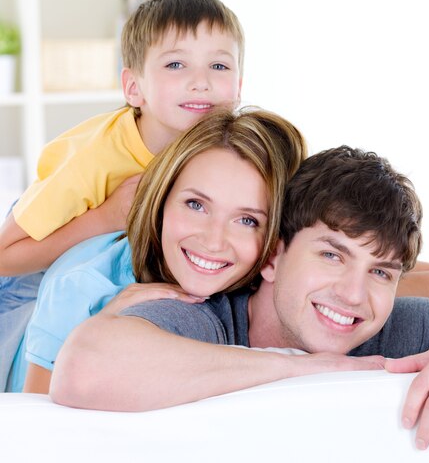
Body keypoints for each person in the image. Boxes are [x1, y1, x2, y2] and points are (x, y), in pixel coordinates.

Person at [51, 146, 429, 453]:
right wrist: (308, 368)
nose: (353, 295)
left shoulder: (391, 327)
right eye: (330, 254)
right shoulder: (199, 314)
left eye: (381, 271)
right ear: (272, 256)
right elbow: (83, 368)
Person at [0, 0, 245, 389]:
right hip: (32, 271)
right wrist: (107, 216)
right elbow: (5, 256)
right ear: (134, 87)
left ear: (239, 85)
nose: (201, 82)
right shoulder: (92, 159)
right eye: (175, 64)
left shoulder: (230, 151)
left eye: (219, 65)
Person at [6, 106, 306, 394]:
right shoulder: (82, 284)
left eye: (246, 220)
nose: (214, 241)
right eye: (196, 205)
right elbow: (38, 423)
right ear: (162, 200)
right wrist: (103, 324)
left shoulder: (260, 291)